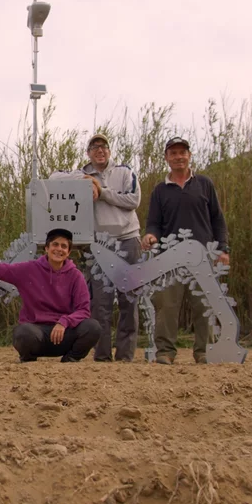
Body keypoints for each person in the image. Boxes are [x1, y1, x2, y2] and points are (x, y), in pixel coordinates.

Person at [50, 133, 142, 362]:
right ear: (88, 153)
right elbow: (53, 178)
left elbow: (133, 200)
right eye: (94, 147)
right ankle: (101, 356)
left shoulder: (124, 172)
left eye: (104, 147)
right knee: (100, 302)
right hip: (99, 245)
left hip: (128, 239)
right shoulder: (82, 174)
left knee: (128, 300)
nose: (100, 150)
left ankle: (125, 356)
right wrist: (85, 179)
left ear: (109, 151)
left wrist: (101, 192)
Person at [141, 137, 230, 365]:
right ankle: (165, 352)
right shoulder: (160, 190)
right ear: (167, 158)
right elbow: (154, 223)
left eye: (182, 152)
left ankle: (204, 351)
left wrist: (223, 248)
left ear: (189, 156)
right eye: (173, 153)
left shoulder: (204, 184)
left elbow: (217, 220)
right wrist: (150, 236)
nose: (178, 157)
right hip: (170, 258)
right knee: (167, 306)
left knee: (204, 305)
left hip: (203, 255)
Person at [0, 228, 101, 362]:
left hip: (64, 333)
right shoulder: (28, 269)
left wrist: (64, 322)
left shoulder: (76, 276)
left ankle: (70, 360)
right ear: (47, 248)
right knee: (22, 333)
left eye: (64, 246)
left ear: (68, 252)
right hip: (37, 333)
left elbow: (83, 310)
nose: (59, 249)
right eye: (55, 244)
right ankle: (29, 358)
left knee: (93, 327)